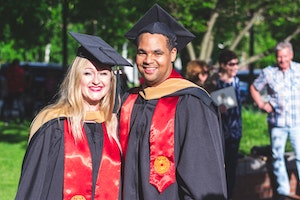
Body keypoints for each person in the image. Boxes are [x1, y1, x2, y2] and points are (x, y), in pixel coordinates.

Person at [119, 4, 227, 200]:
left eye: (157, 53)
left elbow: (202, 178)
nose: (148, 59)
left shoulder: (191, 103)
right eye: (142, 52)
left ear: (173, 54)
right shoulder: (129, 101)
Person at [15, 32, 132, 199]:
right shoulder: (54, 126)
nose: (96, 80)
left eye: (104, 73)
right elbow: (34, 187)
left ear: (112, 81)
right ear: (76, 78)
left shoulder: (115, 126)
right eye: (88, 73)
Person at [250, 41, 300, 199]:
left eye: (285, 56)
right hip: (277, 123)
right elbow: (254, 87)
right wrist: (261, 104)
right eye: (279, 57)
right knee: (277, 156)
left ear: (291, 55)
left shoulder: (299, 70)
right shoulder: (268, 72)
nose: (282, 60)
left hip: (297, 122)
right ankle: (284, 190)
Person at [204, 50, 242, 200]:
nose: (235, 67)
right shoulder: (214, 82)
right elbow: (206, 105)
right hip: (219, 133)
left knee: (231, 169)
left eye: (237, 64)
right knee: (218, 168)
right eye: (232, 64)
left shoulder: (237, 81)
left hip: (235, 132)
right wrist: (216, 108)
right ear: (223, 65)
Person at [1, 58, 25, 123]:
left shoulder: (10, 70)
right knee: (20, 106)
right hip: (19, 90)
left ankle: (7, 120)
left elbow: (7, 79)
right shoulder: (21, 71)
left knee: (9, 106)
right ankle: (21, 121)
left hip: (11, 90)